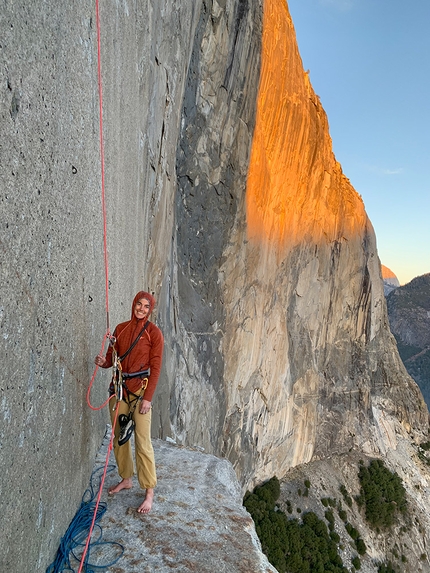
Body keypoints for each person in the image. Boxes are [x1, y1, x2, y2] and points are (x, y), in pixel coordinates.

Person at [95, 291, 164, 513]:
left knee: (143, 442)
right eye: (139, 305)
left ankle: (149, 492)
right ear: (133, 305)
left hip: (139, 393)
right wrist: (103, 362)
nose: (141, 309)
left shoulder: (154, 334)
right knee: (119, 437)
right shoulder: (120, 328)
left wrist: (148, 399)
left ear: (149, 310)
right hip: (119, 390)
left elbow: (155, 369)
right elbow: (112, 358)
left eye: (146, 307)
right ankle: (126, 478)